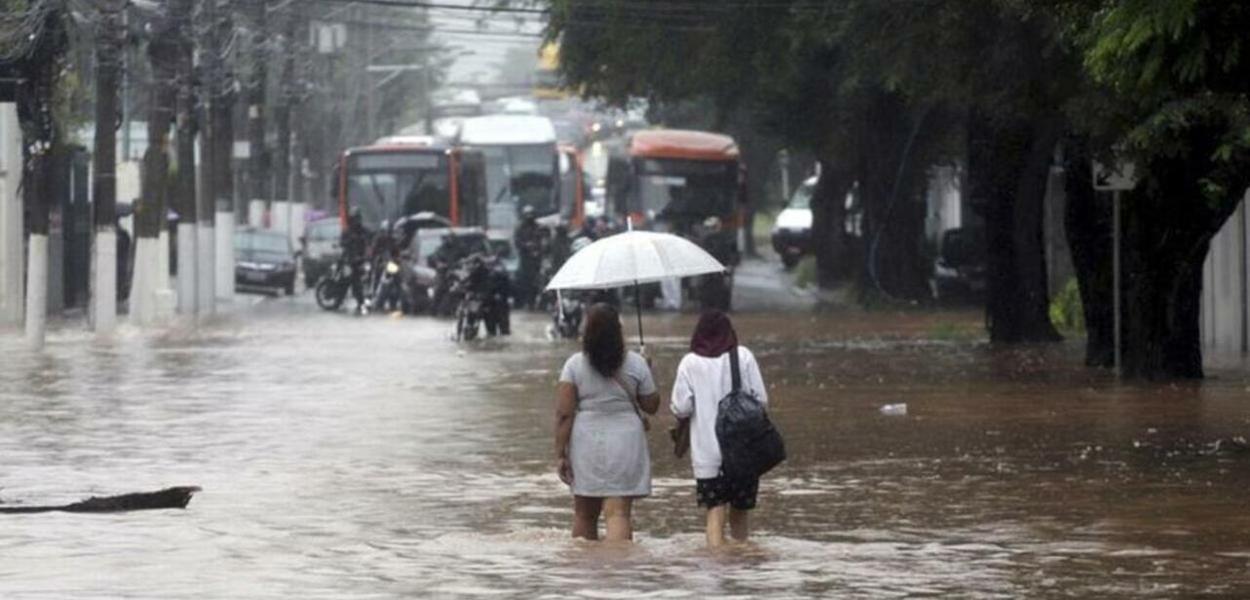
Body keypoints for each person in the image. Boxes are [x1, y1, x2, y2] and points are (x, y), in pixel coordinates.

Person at [555, 303, 659, 541]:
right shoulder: (635, 363)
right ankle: (618, 572)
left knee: (584, 514)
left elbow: (563, 414)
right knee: (619, 514)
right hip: (626, 440)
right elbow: (651, 406)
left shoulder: (574, 365)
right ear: (618, 330)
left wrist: (560, 454)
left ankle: (584, 571)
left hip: (586, 441)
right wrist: (648, 369)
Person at [670, 310, 769, 547]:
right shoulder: (743, 357)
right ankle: (740, 568)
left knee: (715, 513)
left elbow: (680, 407)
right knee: (740, 514)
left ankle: (716, 570)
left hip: (707, 454)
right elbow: (762, 401)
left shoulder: (689, 363)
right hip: (743, 452)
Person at [340, 207, 371, 314]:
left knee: (357, 281)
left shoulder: (364, 231)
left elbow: (369, 243)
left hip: (361, 260)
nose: (356, 221)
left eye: (357, 218)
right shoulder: (348, 231)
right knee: (350, 280)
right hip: (350, 260)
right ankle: (344, 298)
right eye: (354, 219)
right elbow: (342, 243)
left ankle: (362, 301)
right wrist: (348, 242)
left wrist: (366, 255)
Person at [514, 205, 545, 309]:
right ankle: (525, 301)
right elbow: (517, 242)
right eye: (527, 215)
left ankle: (538, 301)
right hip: (525, 259)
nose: (529, 217)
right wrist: (526, 246)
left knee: (537, 281)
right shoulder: (520, 228)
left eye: (531, 215)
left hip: (537, 259)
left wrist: (537, 249)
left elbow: (543, 241)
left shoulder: (538, 227)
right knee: (524, 281)